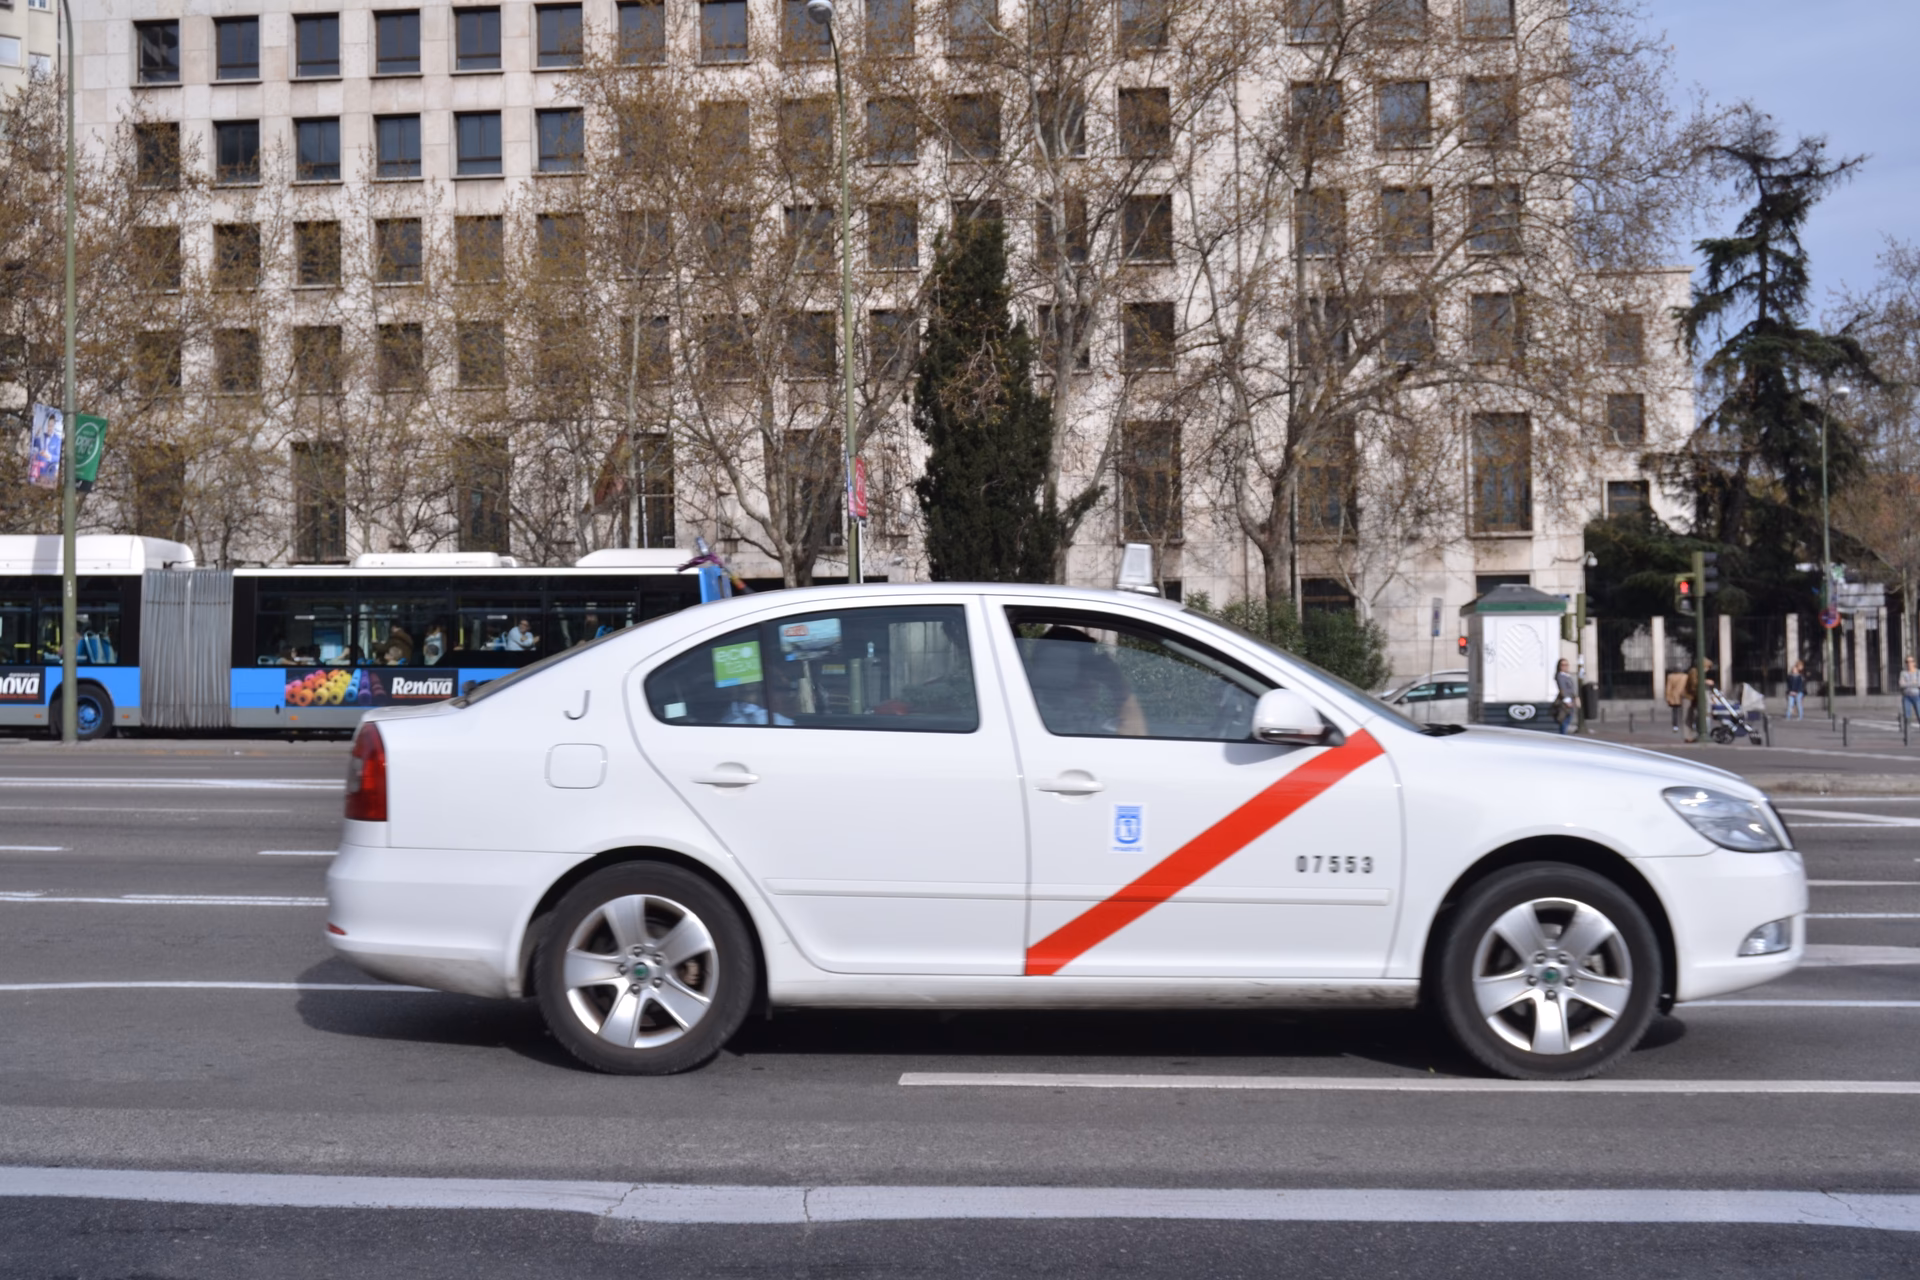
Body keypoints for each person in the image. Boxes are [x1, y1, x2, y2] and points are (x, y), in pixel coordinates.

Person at [1554, 658, 1578, 735]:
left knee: (1568, 720)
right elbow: (1562, 689)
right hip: (1565, 702)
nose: (1565, 667)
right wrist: (1567, 701)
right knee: (1564, 721)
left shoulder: (1567, 675)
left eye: (1566, 665)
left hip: (1571, 700)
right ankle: (1563, 736)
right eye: (1563, 665)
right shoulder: (1560, 676)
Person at [1664, 666, 1690, 734]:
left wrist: (1668, 697)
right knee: (1685, 711)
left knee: (1674, 712)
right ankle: (1686, 725)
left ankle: (1675, 726)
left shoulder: (1670, 676)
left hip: (1674, 696)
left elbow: (1668, 688)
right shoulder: (1685, 676)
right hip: (1683, 695)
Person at [1902, 655, 1920, 727]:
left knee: (1919, 714)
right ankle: (1907, 734)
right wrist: (1913, 682)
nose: (1909, 663)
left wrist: (1907, 683)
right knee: (1907, 716)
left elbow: (1919, 683)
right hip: (1906, 697)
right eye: (1907, 662)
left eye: (1911, 661)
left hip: (1917, 696)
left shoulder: (1918, 672)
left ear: (1914, 663)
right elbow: (1901, 684)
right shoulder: (1903, 673)